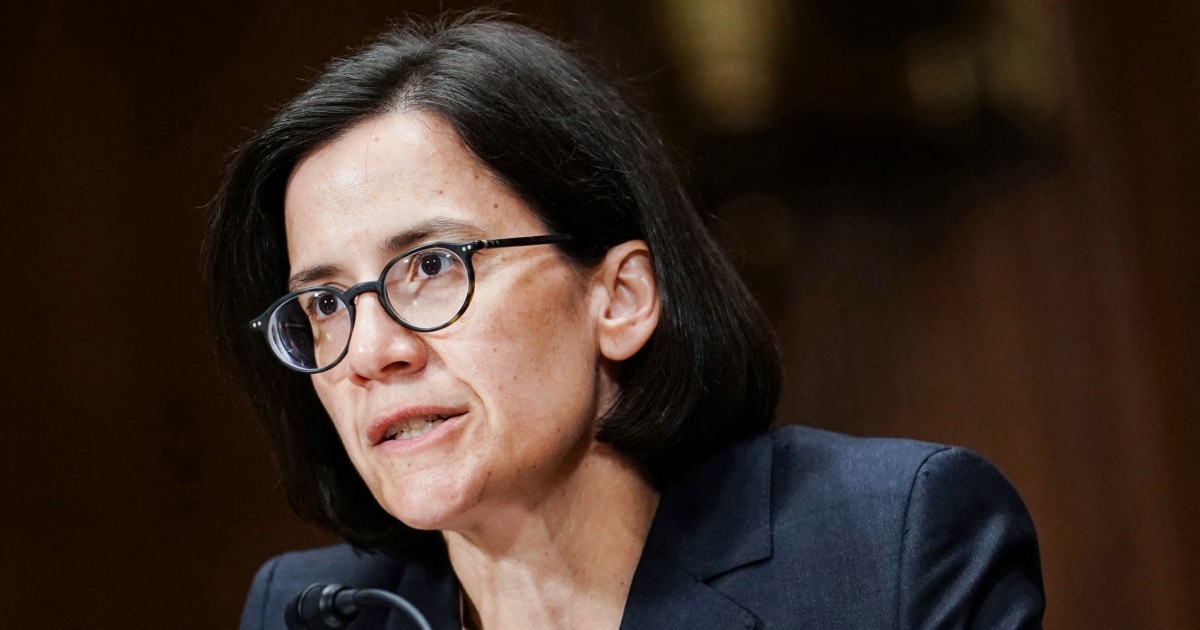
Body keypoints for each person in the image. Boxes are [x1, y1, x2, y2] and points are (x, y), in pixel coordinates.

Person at [205, 13, 1044, 630]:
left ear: (620, 298)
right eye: (325, 304)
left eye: (431, 267)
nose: (370, 351)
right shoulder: (315, 614)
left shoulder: (885, 546)